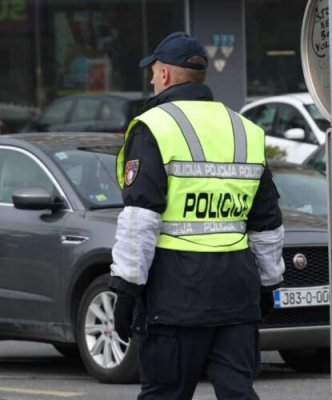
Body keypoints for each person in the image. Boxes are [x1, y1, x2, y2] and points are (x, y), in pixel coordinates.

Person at [109, 32, 285, 400]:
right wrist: (268, 283)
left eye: (154, 72)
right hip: (236, 291)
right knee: (238, 392)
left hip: (175, 295)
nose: (152, 80)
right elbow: (267, 221)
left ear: (166, 76)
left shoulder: (155, 126)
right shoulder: (246, 131)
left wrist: (126, 290)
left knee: (165, 393)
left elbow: (141, 216)